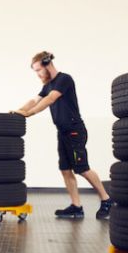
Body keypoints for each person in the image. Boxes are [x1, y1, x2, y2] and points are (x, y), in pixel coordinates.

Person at [11, 51, 113, 219]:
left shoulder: (64, 79)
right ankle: (76, 206)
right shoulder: (47, 85)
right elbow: (35, 100)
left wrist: (30, 114)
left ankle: (106, 199)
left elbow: (50, 99)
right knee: (65, 169)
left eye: (38, 70)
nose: (37, 75)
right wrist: (19, 111)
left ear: (47, 64)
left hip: (75, 130)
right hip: (63, 132)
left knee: (82, 168)